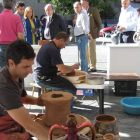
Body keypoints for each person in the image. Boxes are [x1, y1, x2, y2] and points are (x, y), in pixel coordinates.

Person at [0, 39, 48, 140]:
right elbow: (29, 126)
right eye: (26, 66)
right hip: (3, 130)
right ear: (11, 63)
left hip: (13, 122)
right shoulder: (4, 87)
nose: (30, 71)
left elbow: (21, 98)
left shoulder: (15, 74)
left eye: (31, 65)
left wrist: (36, 101)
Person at [33, 32, 79, 110]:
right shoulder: (53, 50)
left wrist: (68, 69)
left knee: (65, 83)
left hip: (40, 74)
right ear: (61, 40)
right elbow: (63, 70)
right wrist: (73, 67)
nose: (65, 47)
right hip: (43, 77)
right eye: (66, 44)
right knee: (71, 88)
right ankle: (67, 112)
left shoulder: (48, 44)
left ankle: (63, 104)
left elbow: (60, 66)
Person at [0, 0, 24, 70]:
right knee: (16, 70)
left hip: (2, 47)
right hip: (14, 46)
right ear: (13, 7)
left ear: (3, 6)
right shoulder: (16, 18)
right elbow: (20, 36)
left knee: (3, 71)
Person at [80, 0, 102, 72]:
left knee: (91, 50)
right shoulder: (81, 11)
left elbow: (99, 21)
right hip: (83, 34)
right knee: (85, 50)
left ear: (87, 3)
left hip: (92, 33)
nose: (82, 5)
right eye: (81, 3)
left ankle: (93, 66)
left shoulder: (93, 10)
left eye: (83, 3)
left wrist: (97, 31)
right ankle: (88, 65)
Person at [73, 2, 92, 72]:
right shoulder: (80, 14)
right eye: (75, 7)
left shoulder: (82, 15)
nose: (76, 9)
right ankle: (84, 70)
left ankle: (84, 71)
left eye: (77, 7)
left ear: (81, 7)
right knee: (82, 55)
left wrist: (88, 34)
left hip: (82, 37)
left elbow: (85, 27)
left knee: (83, 55)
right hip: (80, 37)